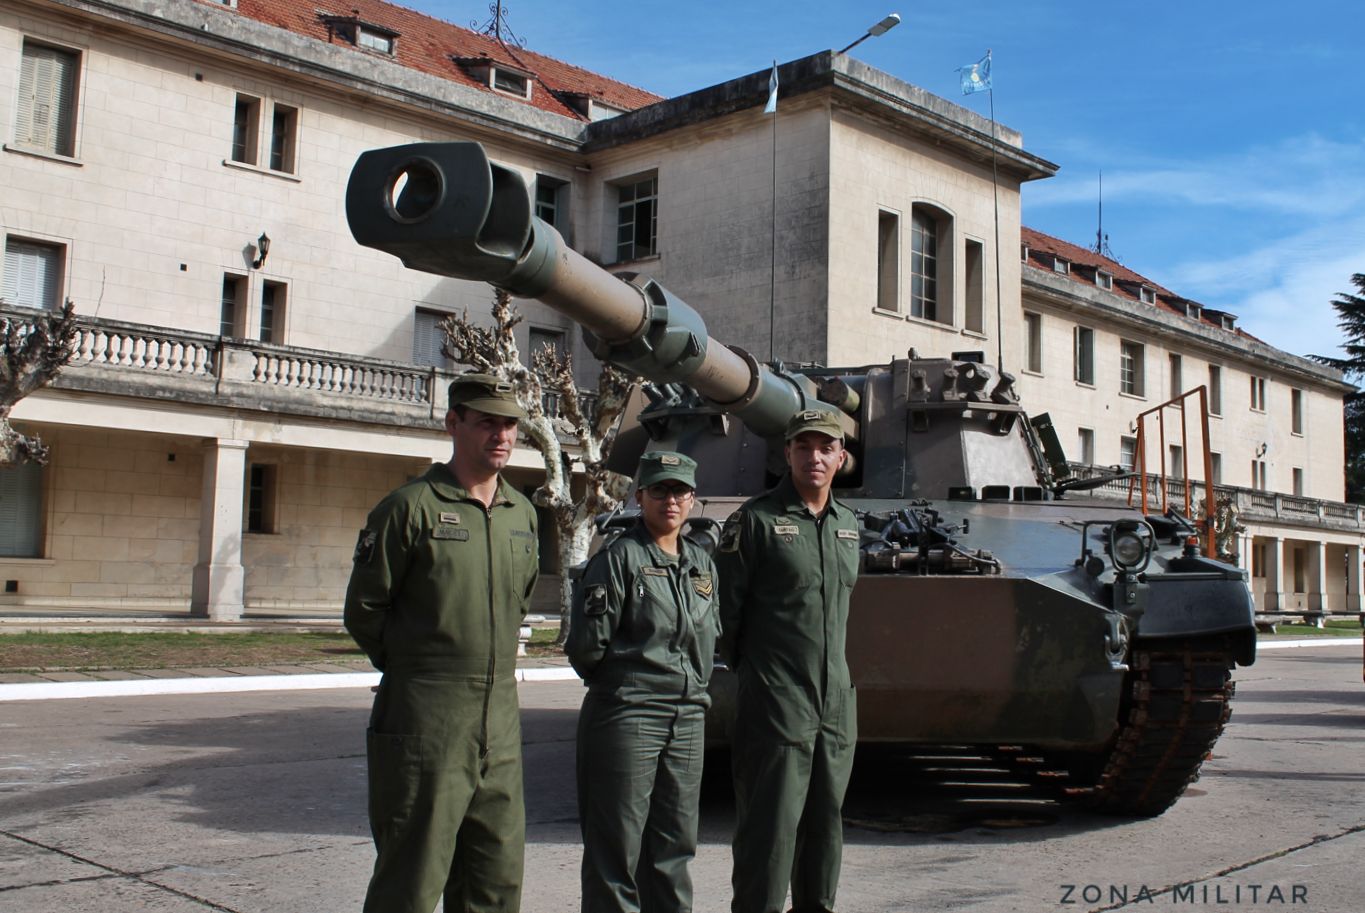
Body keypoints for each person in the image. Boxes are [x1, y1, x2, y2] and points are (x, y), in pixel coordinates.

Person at [344, 373, 539, 913]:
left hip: (499, 716)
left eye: (509, 425)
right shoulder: (409, 508)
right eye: (486, 423)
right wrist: (420, 669)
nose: (501, 436)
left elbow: (518, 600)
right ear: (453, 423)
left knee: (496, 878)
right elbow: (365, 610)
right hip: (426, 713)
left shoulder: (521, 514)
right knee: (412, 877)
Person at [716, 409, 860, 913]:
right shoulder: (755, 521)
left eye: (825, 448)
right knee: (771, 829)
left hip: (835, 701)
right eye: (803, 447)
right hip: (777, 698)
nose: (814, 457)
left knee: (826, 824)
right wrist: (760, 677)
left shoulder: (848, 525)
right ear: (788, 454)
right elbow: (724, 613)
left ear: (841, 457)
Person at [566, 451, 719, 913]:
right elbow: (586, 649)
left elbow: (711, 636)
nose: (670, 500)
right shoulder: (619, 559)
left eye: (679, 492)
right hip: (630, 712)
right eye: (660, 490)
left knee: (674, 850)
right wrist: (631, 686)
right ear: (640, 497)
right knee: (617, 851)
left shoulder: (700, 564)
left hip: (688, 715)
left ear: (692, 499)